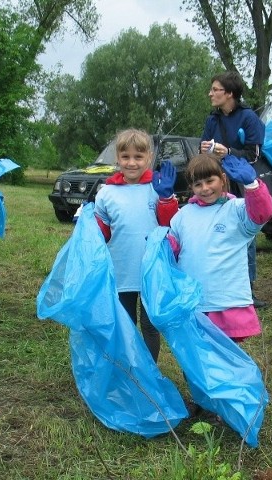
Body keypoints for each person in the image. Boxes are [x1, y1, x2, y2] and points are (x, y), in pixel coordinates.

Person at [168, 154, 272, 342]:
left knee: (225, 361)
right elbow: (172, 249)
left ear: (223, 179)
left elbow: (262, 213)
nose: (205, 188)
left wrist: (252, 186)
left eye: (210, 181)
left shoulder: (238, 209)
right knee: (194, 360)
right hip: (193, 303)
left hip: (226, 302)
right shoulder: (183, 215)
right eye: (198, 184)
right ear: (191, 187)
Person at [94, 129, 178, 362]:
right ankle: (130, 369)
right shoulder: (107, 192)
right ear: (117, 158)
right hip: (121, 268)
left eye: (138, 157)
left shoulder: (157, 187)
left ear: (149, 158)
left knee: (150, 326)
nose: (132, 163)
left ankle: (148, 371)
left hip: (151, 270)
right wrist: (88, 225)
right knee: (126, 323)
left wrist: (166, 199)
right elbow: (102, 231)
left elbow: (169, 224)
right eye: (126, 157)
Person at [199, 71, 268, 308]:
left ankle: (247, 290)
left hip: (241, 185)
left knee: (244, 234)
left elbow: (254, 154)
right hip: (216, 185)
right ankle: (217, 285)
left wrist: (228, 152)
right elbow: (203, 150)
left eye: (215, 89)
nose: (210, 93)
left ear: (229, 93)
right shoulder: (212, 120)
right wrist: (207, 149)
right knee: (216, 232)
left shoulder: (249, 118)